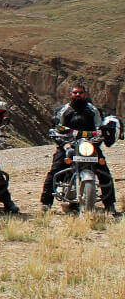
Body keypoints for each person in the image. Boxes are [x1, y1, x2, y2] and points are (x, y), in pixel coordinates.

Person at [40, 84, 117, 214]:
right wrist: (63, 143)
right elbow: (56, 127)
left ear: (85, 94)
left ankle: (110, 205)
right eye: (75, 93)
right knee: (55, 169)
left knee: (104, 171)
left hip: (89, 145)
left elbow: (99, 127)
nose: (78, 95)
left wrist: (103, 132)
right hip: (68, 144)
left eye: (80, 93)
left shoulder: (93, 110)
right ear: (71, 94)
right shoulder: (63, 110)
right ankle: (46, 203)